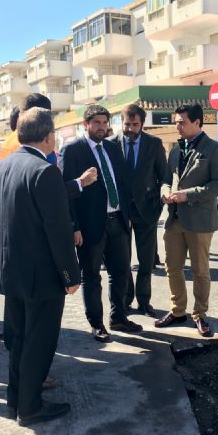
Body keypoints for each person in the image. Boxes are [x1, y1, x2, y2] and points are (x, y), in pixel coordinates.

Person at [0, 107, 81, 426]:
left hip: (10, 271)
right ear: (48, 136)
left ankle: (16, 401)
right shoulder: (45, 171)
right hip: (41, 275)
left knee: (19, 340)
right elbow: (58, 230)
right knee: (39, 343)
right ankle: (29, 407)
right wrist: (70, 274)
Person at [59, 105, 142, 343]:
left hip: (117, 220)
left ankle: (118, 317)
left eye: (105, 123)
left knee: (121, 271)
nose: (102, 127)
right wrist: (74, 226)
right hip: (90, 225)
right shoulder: (72, 150)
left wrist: (126, 213)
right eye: (97, 123)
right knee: (92, 276)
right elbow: (66, 192)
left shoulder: (112, 148)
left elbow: (123, 183)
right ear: (85, 124)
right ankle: (96, 324)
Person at [154, 104, 218, 337]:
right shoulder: (176, 149)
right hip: (174, 218)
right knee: (172, 267)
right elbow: (167, 179)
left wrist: (188, 195)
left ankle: (200, 314)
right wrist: (164, 193)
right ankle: (178, 311)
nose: (178, 126)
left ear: (197, 122)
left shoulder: (215, 149)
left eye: (182, 122)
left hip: (200, 219)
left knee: (200, 270)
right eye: (176, 122)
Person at [109, 104, 166, 317]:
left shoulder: (154, 144)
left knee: (146, 261)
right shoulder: (110, 144)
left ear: (142, 123)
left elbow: (163, 176)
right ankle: (126, 300)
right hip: (120, 213)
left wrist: (159, 204)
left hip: (147, 211)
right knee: (123, 260)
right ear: (121, 122)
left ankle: (144, 301)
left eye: (135, 124)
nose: (130, 129)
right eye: (127, 124)